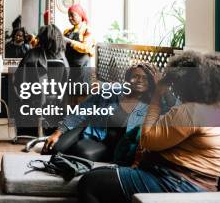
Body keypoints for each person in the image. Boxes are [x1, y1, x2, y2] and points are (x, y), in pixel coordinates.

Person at [77, 51, 220, 203]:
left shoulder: (190, 111)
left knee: (90, 182)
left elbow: (147, 140)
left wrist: (156, 98)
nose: (177, 90)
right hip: (198, 184)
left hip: (176, 183)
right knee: (106, 179)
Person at [42, 63, 170, 164]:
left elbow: (176, 107)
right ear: (127, 78)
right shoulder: (113, 91)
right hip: (93, 131)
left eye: (145, 78)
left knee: (82, 152)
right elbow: (81, 110)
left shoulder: (154, 104)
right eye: (135, 76)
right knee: (54, 147)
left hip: (113, 146)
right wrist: (57, 132)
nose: (140, 80)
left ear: (152, 82)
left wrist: (162, 85)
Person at [63, 4, 95, 85]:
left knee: (81, 92)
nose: (70, 18)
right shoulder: (67, 31)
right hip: (69, 66)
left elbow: (86, 47)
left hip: (82, 67)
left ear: (81, 16)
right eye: (69, 15)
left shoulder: (87, 30)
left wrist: (70, 41)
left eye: (72, 15)